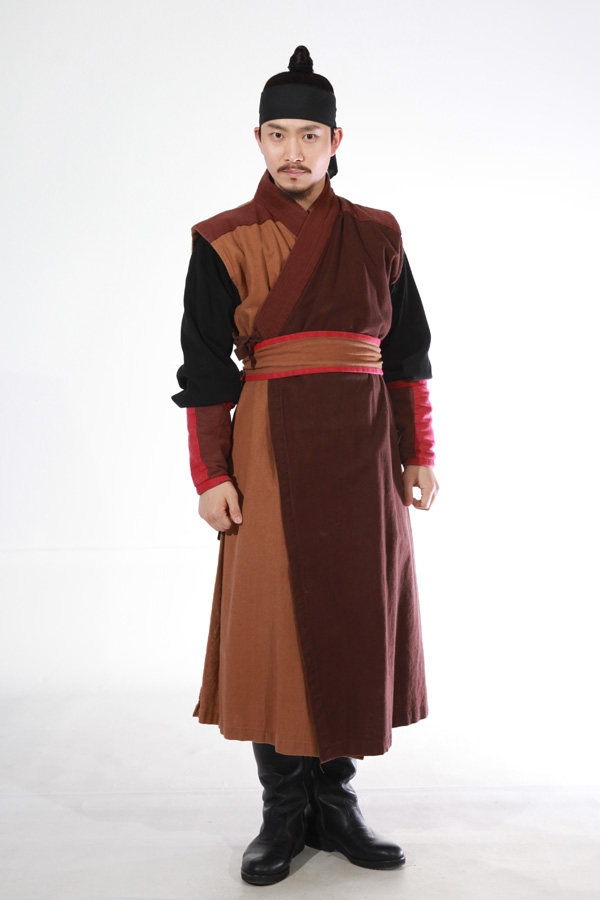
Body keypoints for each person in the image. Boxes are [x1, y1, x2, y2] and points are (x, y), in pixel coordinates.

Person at [172, 45, 440, 886]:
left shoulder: (378, 233)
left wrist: (419, 452)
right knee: (274, 623)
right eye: (278, 135)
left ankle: (337, 803)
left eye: (310, 135)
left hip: (365, 453)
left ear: (335, 141)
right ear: (258, 140)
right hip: (268, 451)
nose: (294, 151)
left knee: (356, 616)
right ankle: (283, 809)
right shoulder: (223, 239)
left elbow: (408, 352)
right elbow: (205, 370)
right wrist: (211, 475)